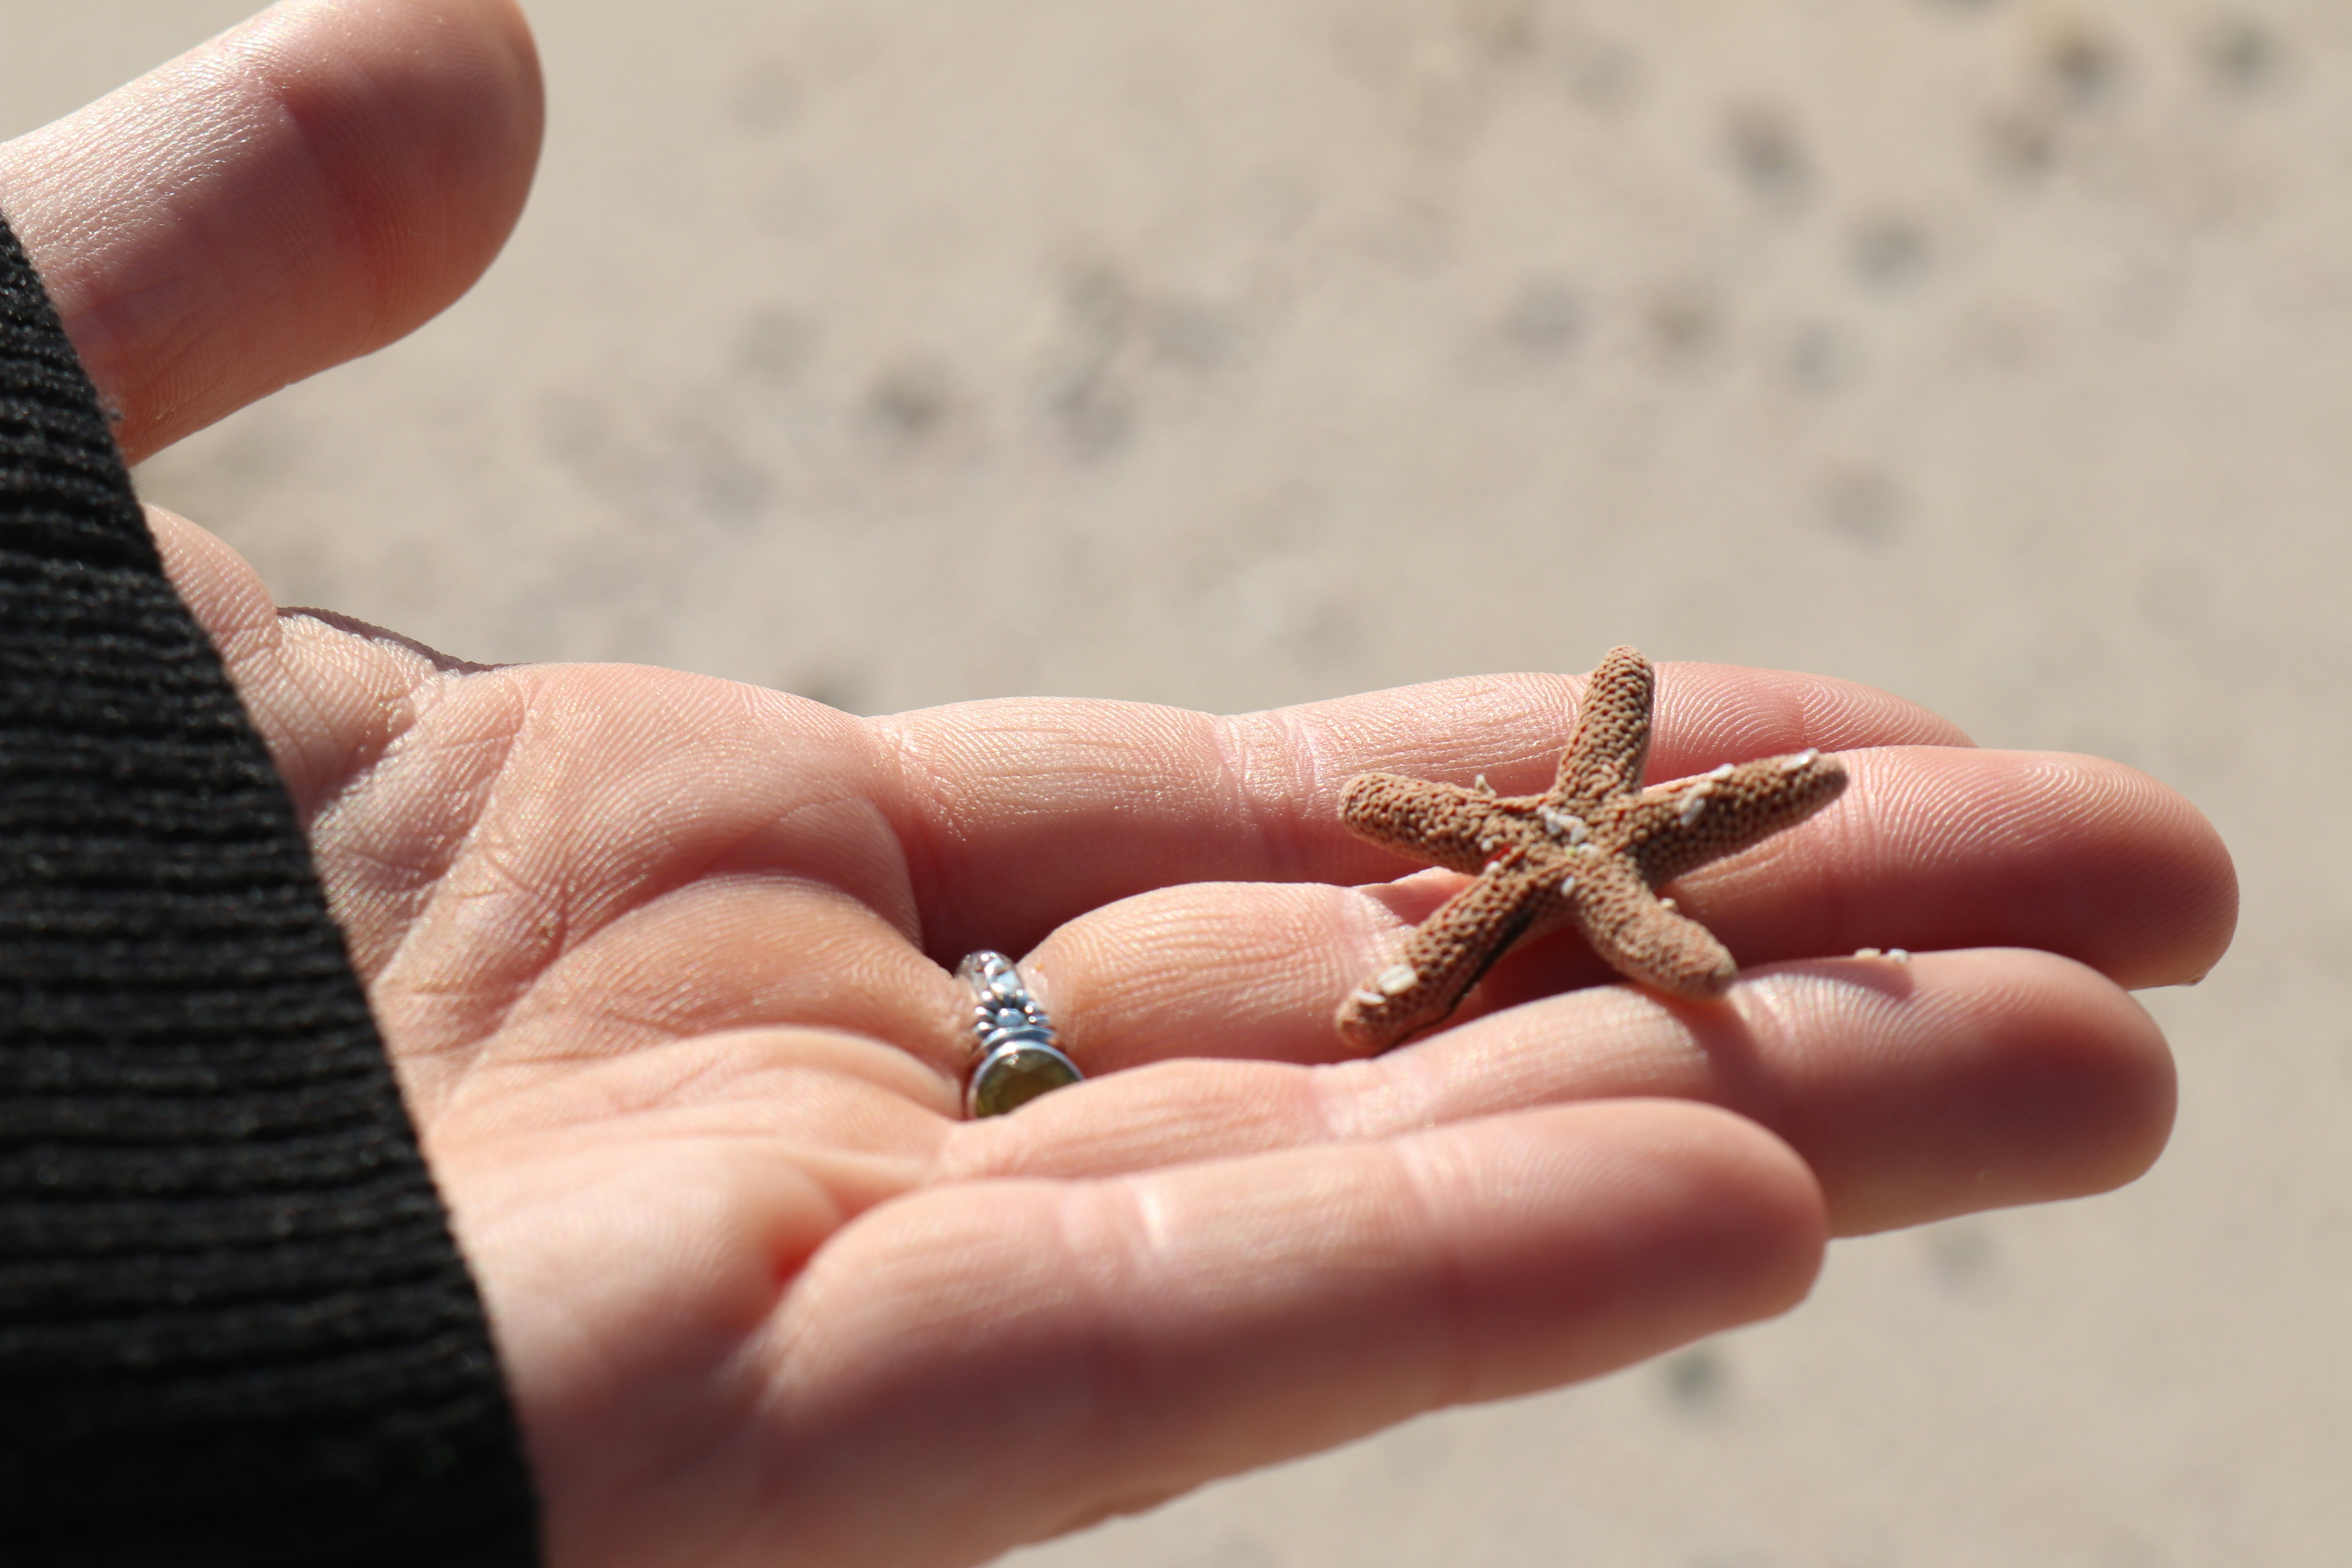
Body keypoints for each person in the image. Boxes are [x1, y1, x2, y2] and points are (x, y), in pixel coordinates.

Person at [0, 2, 2233, 1564]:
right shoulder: (1524, 846)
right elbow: (1538, 847)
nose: (1574, 842)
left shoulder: (1581, 830)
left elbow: (1585, 835)